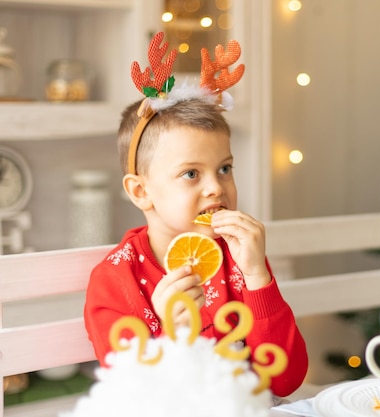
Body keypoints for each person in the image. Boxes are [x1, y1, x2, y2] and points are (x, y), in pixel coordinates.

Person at [84, 33, 308, 397]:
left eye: (224, 169)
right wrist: (170, 335)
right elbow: (131, 398)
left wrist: (258, 276)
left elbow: (285, 380)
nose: (216, 188)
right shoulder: (116, 280)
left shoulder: (238, 259)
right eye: (191, 174)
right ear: (141, 191)